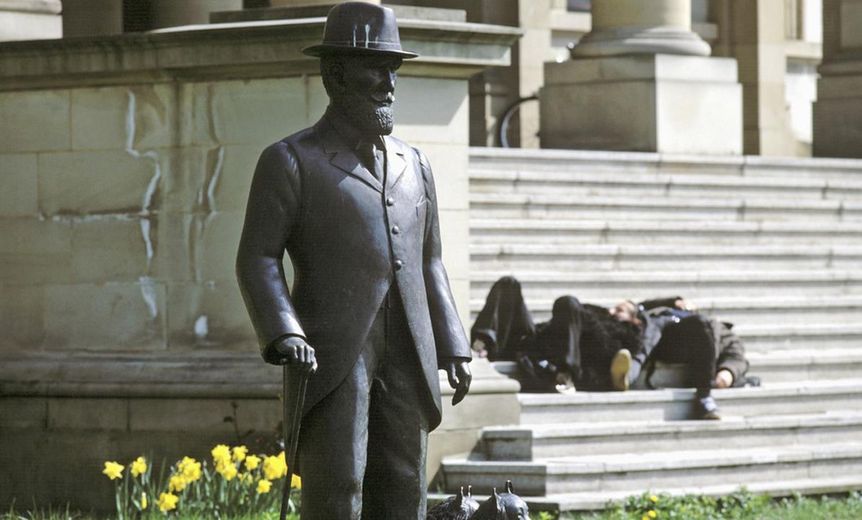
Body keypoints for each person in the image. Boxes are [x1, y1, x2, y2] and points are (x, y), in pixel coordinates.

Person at [235, 3, 471, 518]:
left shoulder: (415, 164)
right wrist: (285, 331)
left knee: (405, 477)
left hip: (409, 346)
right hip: (334, 351)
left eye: (394, 69)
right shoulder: (292, 160)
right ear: (336, 75)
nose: (389, 84)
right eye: (376, 69)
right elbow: (258, 258)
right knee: (339, 480)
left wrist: (454, 344)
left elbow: (430, 262)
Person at [471, 277, 750, 419]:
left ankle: (565, 374)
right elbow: (642, 306)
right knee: (509, 285)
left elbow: (735, 352)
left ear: (634, 320)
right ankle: (482, 343)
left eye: (621, 310)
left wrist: (727, 372)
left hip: (561, 355)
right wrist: (670, 299)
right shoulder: (597, 315)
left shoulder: (628, 333)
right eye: (614, 308)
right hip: (534, 341)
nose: (613, 311)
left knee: (568, 301)